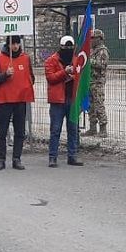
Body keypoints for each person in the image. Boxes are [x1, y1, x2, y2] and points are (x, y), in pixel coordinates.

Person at [0, 35, 35, 170]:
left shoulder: (25, 58)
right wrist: (5, 75)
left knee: (20, 131)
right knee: (2, 131)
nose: (15, 46)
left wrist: (26, 86)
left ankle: (16, 158)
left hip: (20, 100)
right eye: (12, 43)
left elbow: (31, 77)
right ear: (7, 45)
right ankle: (1, 159)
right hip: (5, 100)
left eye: (17, 43)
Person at [44, 36, 83, 168]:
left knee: (73, 130)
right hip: (58, 100)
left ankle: (72, 156)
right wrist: (64, 72)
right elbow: (50, 78)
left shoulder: (76, 60)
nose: (68, 49)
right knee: (55, 130)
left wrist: (75, 76)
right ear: (61, 47)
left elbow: (81, 76)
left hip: (72, 99)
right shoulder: (51, 60)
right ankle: (52, 157)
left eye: (71, 47)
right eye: (66, 47)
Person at [84, 29, 109, 138]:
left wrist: (88, 61)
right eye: (91, 38)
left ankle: (103, 129)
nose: (91, 40)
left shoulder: (103, 51)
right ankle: (92, 128)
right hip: (90, 81)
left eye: (93, 38)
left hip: (98, 82)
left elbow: (101, 64)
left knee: (99, 105)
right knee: (90, 106)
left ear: (100, 39)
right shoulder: (91, 51)